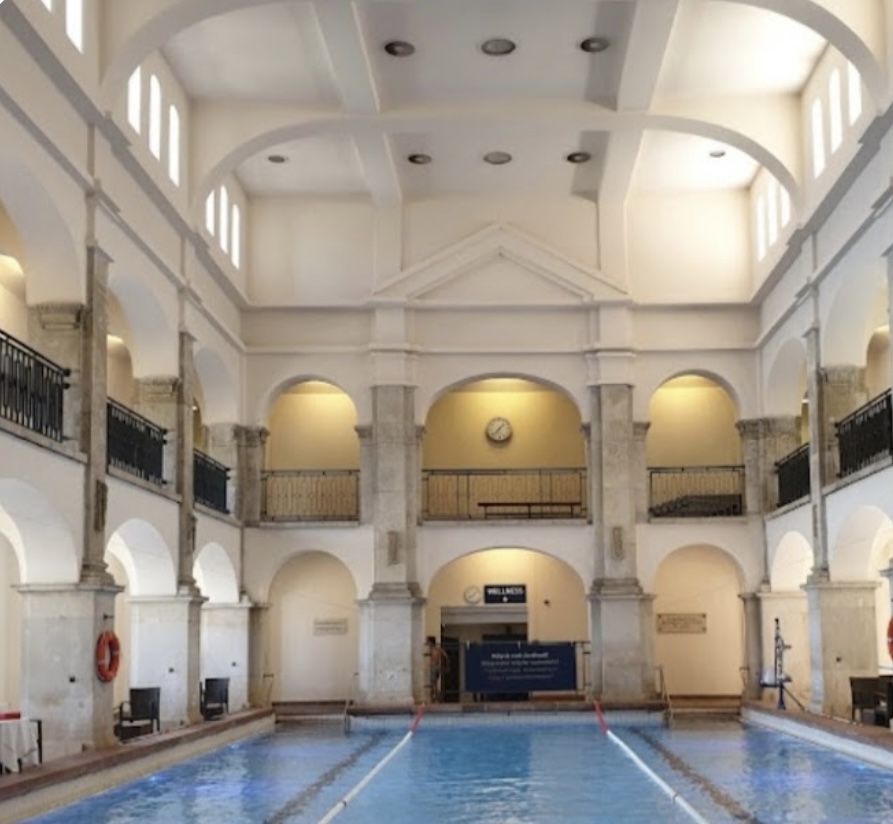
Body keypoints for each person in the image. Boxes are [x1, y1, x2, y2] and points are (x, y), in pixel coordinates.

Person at [427, 635, 449, 702]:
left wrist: (446, 665)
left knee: (433, 683)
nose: (428, 643)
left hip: (434, 667)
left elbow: (445, 656)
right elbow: (446, 656)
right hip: (438, 666)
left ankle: (435, 697)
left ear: (431, 642)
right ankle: (436, 697)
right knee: (435, 683)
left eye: (428, 642)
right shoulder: (438, 649)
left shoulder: (433, 649)